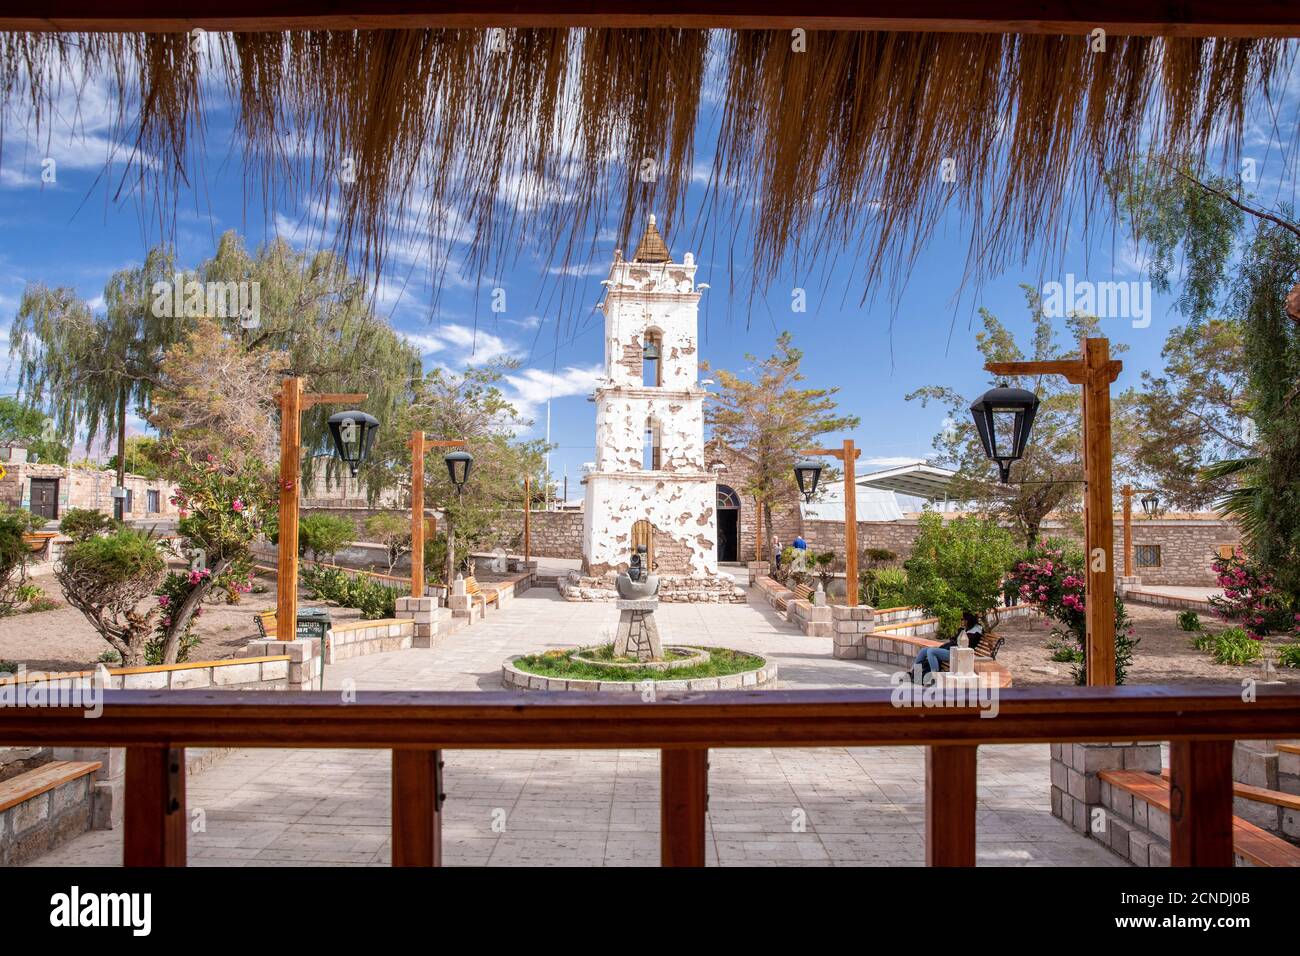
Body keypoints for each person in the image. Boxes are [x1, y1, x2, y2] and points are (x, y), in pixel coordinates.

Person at [911, 611, 984, 683]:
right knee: (923, 651)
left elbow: (965, 644)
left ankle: (936, 677)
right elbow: (953, 639)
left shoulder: (976, 631)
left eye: (963, 619)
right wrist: (959, 632)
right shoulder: (967, 628)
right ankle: (916, 675)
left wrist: (957, 636)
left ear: (968, 620)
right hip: (952, 649)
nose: (961, 621)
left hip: (959, 654)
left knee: (931, 651)